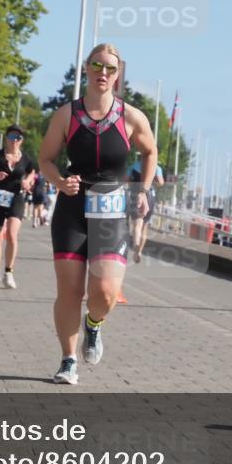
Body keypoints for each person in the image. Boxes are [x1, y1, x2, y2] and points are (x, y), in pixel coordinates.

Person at [38, 43, 157, 385]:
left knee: (104, 292)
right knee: (69, 290)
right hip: (72, 208)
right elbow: (45, 158)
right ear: (86, 69)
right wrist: (60, 182)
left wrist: (143, 190)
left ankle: (94, 325)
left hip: (111, 210)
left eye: (110, 68)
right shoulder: (66, 115)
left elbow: (151, 152)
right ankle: (68, 359)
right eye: (97, 65)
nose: (103, 73)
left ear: (118, 75)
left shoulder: (132, 117)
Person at [0, 126, 36, 288]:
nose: (14, 140)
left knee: (11, 235)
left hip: (16, 197)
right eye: (12, 136)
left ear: (21, 140)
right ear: (6, 138)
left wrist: (28, 180)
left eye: (18, 137)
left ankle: (9, 272)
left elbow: (32, 172)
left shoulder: (25, 158)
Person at [129, 153, 165, 263]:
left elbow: (126, 179)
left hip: (136, 194)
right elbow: (161, 182)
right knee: (145, 226)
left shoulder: (134, 166)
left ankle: (135, 245)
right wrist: (151, 182)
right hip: (150, 196)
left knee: (137, 224)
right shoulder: (156, 168)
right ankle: (139, 250)